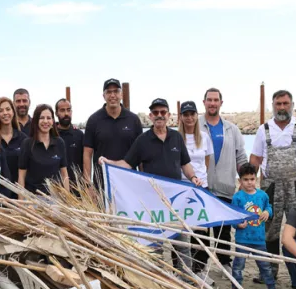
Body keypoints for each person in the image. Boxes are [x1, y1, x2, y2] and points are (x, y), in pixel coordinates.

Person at [102, 98, 201, 271]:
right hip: (152, 203)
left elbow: (185, 164)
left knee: (182, 245)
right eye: (155, 113)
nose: (159, 116)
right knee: (155, 246)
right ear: (150, 116)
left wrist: (193, 178)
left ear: (169, 115)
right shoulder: (142, 140)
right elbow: (127, 164)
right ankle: (159, 281)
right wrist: (109, 163)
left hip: (175, 203)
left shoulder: (177, 137)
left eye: (163, 112)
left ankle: (186, 280)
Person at [250, 89, 296, 283]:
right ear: (273, 106)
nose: (282, 107)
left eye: (285, 103)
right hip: (270, 186)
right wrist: (248, 186)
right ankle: (269, 271)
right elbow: (256, 158)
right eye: (278, 104)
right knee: (269, 228)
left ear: (292, 105)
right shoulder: (263, 129)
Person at [200, 88, 248, 271]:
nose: (212, 103)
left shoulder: (232, 129)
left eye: (216, 100)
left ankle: (224, 261)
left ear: (221, 103)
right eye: (209, 100)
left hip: (225, 186)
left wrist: (247, 182)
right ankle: (200, 263)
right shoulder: (195, 126)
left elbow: (241, 158)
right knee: (201, 228)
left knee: (223, 229)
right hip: (201, 187)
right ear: (204, 102)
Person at [230, 163, 278, 289]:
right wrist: (238, 224)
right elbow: (232, 217)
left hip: (259, 240)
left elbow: (269, 207)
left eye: (252, 179)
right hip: (242, 240)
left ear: (256, 179)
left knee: (265, 267)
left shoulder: (262, 195)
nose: (249, 182)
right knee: (238, 266)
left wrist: (267, 212)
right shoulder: (238, 197)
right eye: (245, 179)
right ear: (240, 181)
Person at [83, 78, 143, 185]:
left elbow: (141, 154)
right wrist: (88, 185)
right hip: (102, 183)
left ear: (121, 94)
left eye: (116, 91)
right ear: (104, 96)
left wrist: (144, 181)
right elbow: (87, 153)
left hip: (130, 182)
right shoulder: (93, 120)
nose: (112, 95)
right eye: (109, 92)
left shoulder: (134, 120)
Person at [178, 100, 214, 277]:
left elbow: (206, 162)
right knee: (182, 230)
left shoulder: (204, 137)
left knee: (201, 230)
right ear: (181, 117)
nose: (189, 117)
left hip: (201, 188)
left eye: (192, 114)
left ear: (196, 115)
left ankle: (200, 270)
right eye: (186, 114)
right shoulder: (176, 138)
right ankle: (182, 269)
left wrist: (200, 179)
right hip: (182, 187)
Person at [18, 104, 69, 194]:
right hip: (33, 199)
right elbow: (21, 176)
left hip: (55, 199)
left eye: (49, 118)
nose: (45, 121)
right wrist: (21, 203)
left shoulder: (59, 143)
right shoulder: (27, 144)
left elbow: (64, 174)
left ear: (53, 121)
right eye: (42, 118)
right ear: (36, 121)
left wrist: (68, 199)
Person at [0, 96, 26, 182]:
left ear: (13, 112)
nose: (5, 113)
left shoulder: (23, 139)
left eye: (8, 109)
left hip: (19, 190)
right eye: (1, 110)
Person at [55, 98, 84, 186]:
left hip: (77, 187)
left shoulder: (79, 135)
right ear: (56, 113)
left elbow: (85, 161)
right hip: (56, 187)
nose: (66, 114)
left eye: (68, 110)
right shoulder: (51, 135)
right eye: (62, 110)